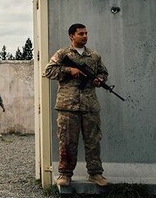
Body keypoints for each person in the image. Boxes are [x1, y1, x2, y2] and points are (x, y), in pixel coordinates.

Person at [44, 23, 109, 187]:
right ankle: (65, 174)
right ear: (71, 36)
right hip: (68, 106)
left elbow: (103, 72)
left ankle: (95, 173)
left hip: (89, 106)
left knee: (93, 141)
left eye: (86, 33)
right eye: (81, 33)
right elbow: (48, 71)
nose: (85, 36)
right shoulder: (62, 54)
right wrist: (68, 70)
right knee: (67, 142)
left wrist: (99, 80)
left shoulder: (94, 56)